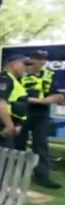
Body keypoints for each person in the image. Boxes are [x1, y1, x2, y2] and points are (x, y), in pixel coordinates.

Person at [15, 50, 63, 189]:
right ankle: (16, 174)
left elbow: (54, 93)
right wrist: (39, 101)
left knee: (41, 145)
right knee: (19, 145)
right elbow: (15, 96)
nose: (41, 62)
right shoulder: (21, 75)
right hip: (23, 112)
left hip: (42, 114)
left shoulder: (49, 75)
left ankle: (42, 176)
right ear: (30, 60)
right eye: (38, 59)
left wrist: (57, 98)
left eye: (44, 59)